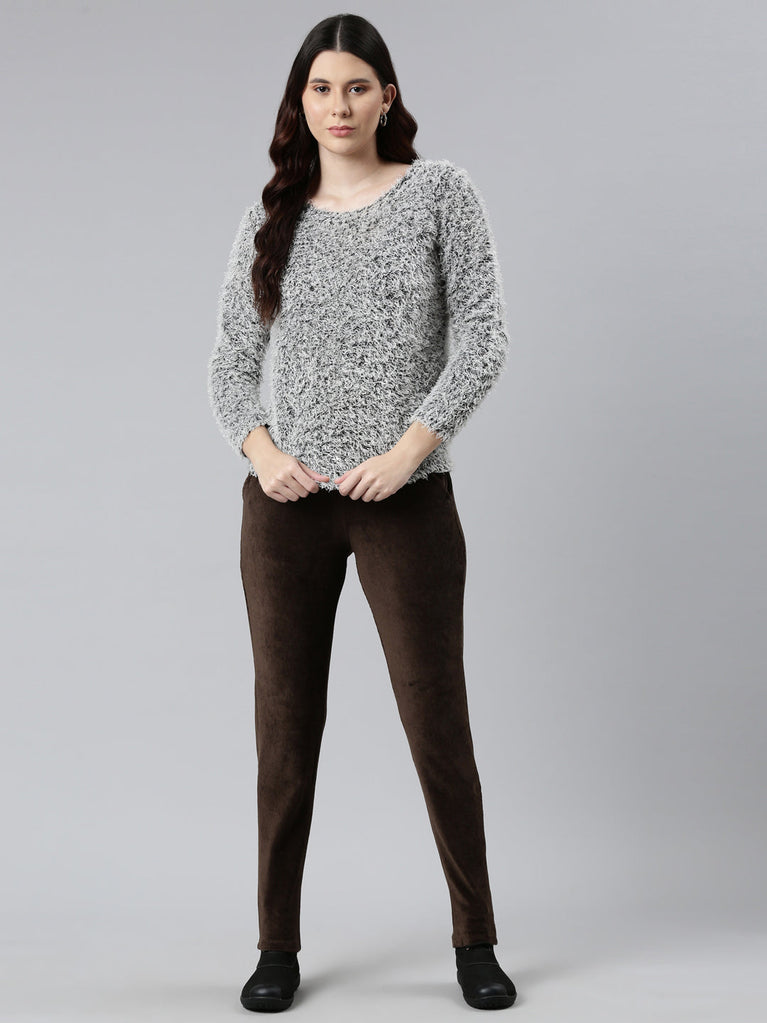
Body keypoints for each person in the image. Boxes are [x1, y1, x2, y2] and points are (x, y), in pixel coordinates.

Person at [207, 13, 517, 1014]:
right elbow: (229, 364)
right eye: (319, 88)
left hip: (404, 501)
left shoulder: (439, 192)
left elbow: (483, 335)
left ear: (387, 94)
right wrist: (264, 455)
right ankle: (275, 947)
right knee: (284, 729)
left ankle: (474, 941)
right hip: (287, 510)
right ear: (298, 103)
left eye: (354, 86)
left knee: (436, 721)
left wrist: (409, 449)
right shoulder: (270, 219)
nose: (337, 105)